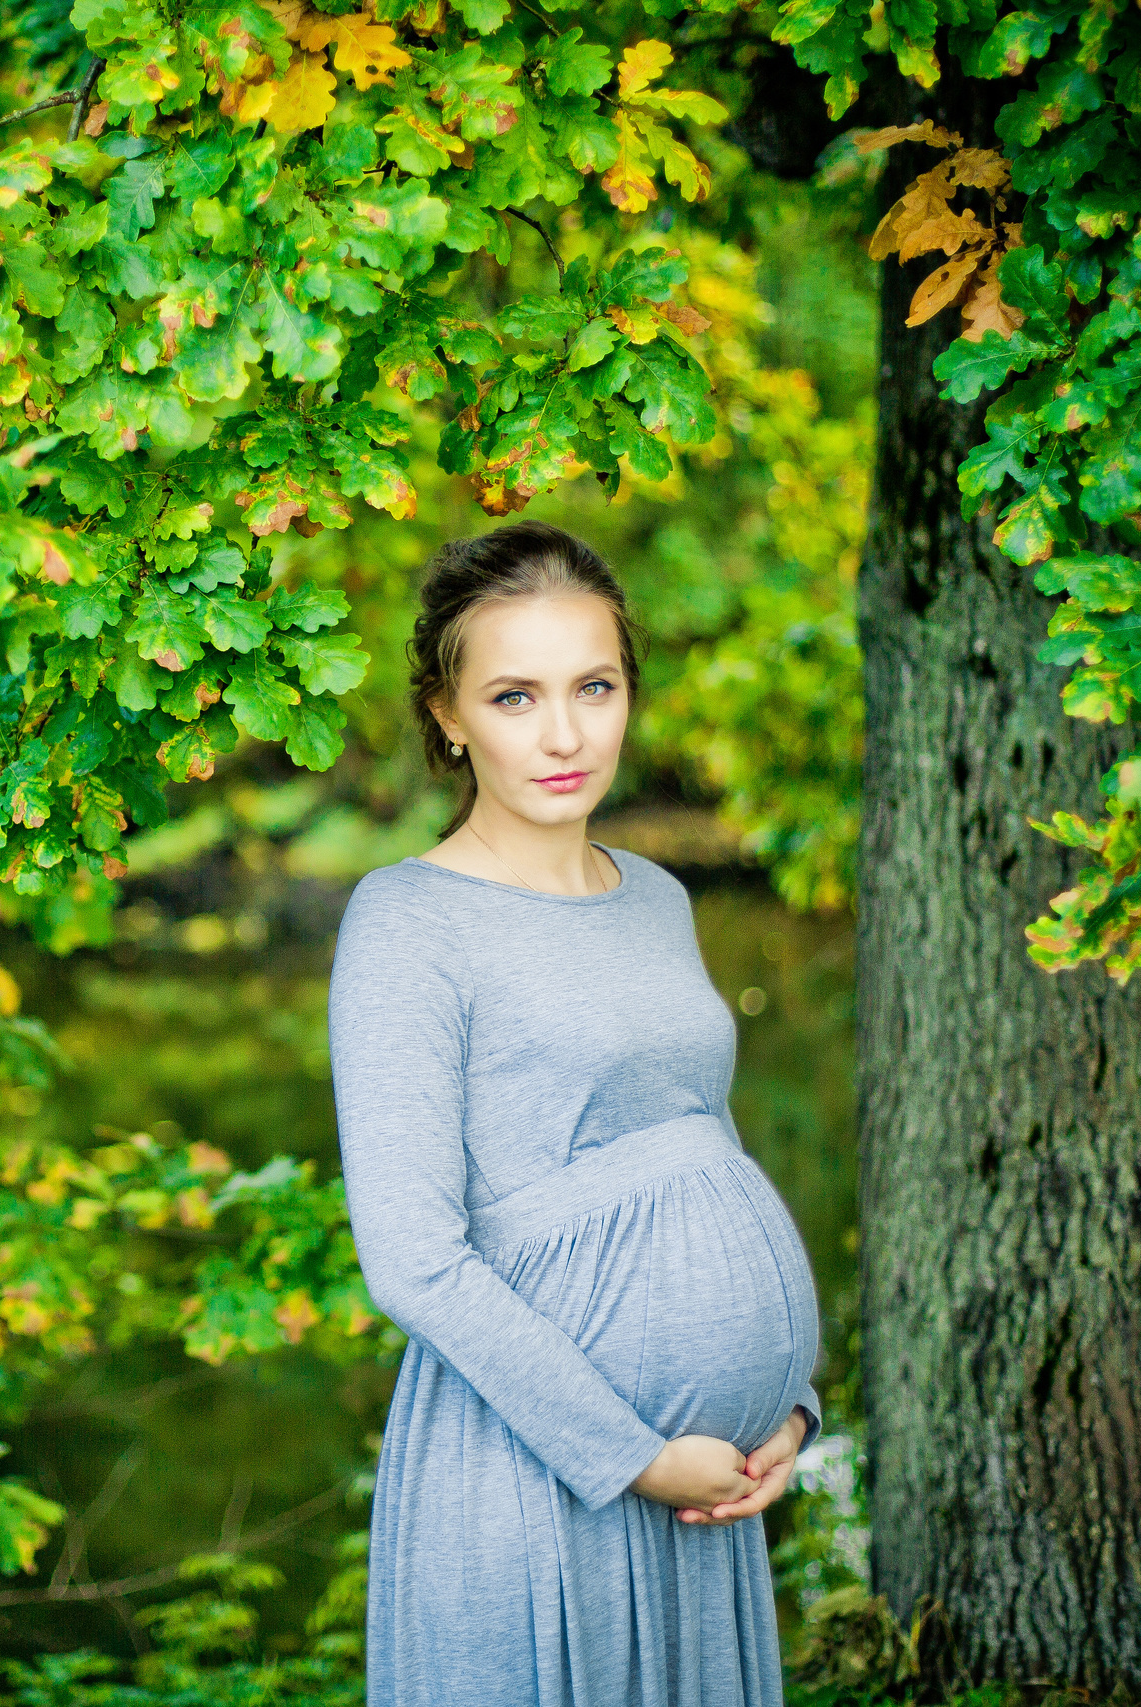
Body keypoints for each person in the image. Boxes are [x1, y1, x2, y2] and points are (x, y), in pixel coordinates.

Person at [329, 520, 824, 1707]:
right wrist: (636, 1457)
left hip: (710, 1488)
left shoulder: (654, 895)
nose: (564, 735)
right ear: (448, 717)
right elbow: (411, 1262)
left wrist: (789, 1406)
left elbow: (706, 1154)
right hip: (543, 1475)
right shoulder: (407, 923)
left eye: (593, 686)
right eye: (513, 695)